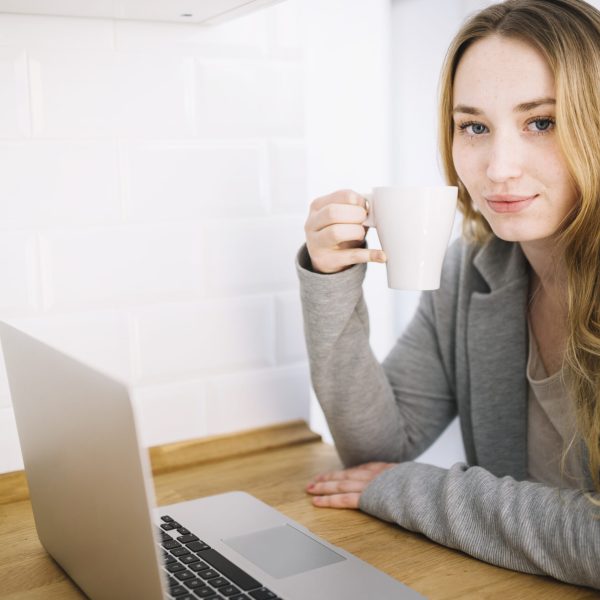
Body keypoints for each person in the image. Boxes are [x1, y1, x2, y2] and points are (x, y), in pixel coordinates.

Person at [296, 0, 600, 590]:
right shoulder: (474, 266)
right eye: (474, 127)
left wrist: (419, 489)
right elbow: (377, 447)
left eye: (542, 122)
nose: (498, 168)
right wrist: (331, 280)